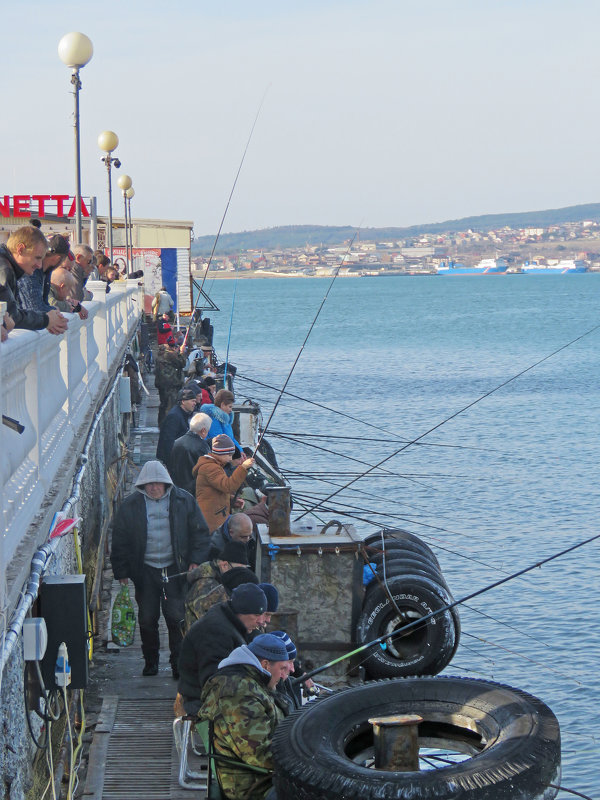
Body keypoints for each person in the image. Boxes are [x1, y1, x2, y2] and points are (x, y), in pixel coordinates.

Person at [110, 460, 210, 678]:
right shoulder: (130, 506)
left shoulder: (185, 501)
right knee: (147, 618)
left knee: (176, 618)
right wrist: (122, 572)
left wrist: (195, 561)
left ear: (166, 483)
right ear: (142, 486)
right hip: (144, 570)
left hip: (175, 569)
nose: (154, 488)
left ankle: (178, 665)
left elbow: (200, 533)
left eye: (158, 483)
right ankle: (150, 662)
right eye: (149, 484)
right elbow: (120, 541)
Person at [200, 633, 290, 800]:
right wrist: (303, 762)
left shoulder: (253, 683)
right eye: (282, 668)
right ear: (265, 665)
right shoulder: (237, 693)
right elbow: (258, 754)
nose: (285, 676)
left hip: (267, 777)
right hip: (252, 786)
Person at [177, 582, 268, 712]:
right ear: (241, 611)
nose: (261, 622)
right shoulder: (215, 632)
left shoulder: (237, 622)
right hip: (200, 701)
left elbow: (264, 646)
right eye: (257, 615)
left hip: (221, 693)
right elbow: (214, 682)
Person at [0, 226, 68, 334]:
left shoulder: (8, 267)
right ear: (20, 249)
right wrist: (47, 320)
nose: (39, 265)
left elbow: (11, 316)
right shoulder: (4, 269)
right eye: (37, 258)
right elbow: (13, 316)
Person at [183, 539, 258, 632]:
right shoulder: (206, 586)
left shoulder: (219, 577)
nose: (242, 574)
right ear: (224, 565)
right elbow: (214, 623)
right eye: (238, 569)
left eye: (245, 569)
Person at [194, 434, 254, 533]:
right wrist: (243, 467)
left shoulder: (215, 466)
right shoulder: (210, 468)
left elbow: (215, 491)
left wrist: (231, 500)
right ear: (220, 453)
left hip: (216, 515)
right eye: (229, 455)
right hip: (210, 519)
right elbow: (228, 486)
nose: (231, 459)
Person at [168, 412, 212, 495]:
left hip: (176, 488)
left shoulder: (176, 442)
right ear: (203, 431)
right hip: (194, 490)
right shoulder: (202, 447)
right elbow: (206, 472)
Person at [156, 387, 197, 464]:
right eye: (192, 401)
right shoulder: (175, 416)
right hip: (173, 459)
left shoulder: (184, 413)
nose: (194, 403)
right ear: (183, 401)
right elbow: (168, 440)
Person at [154, 341, 187, 425]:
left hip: (161, 383)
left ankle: (161, 424)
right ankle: (169, 425)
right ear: (173, 347)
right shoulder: (170, 355)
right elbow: (182, 363)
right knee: (171, 405)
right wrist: (182, 352)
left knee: (163, 404)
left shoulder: (160, 354)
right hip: (170, 384)